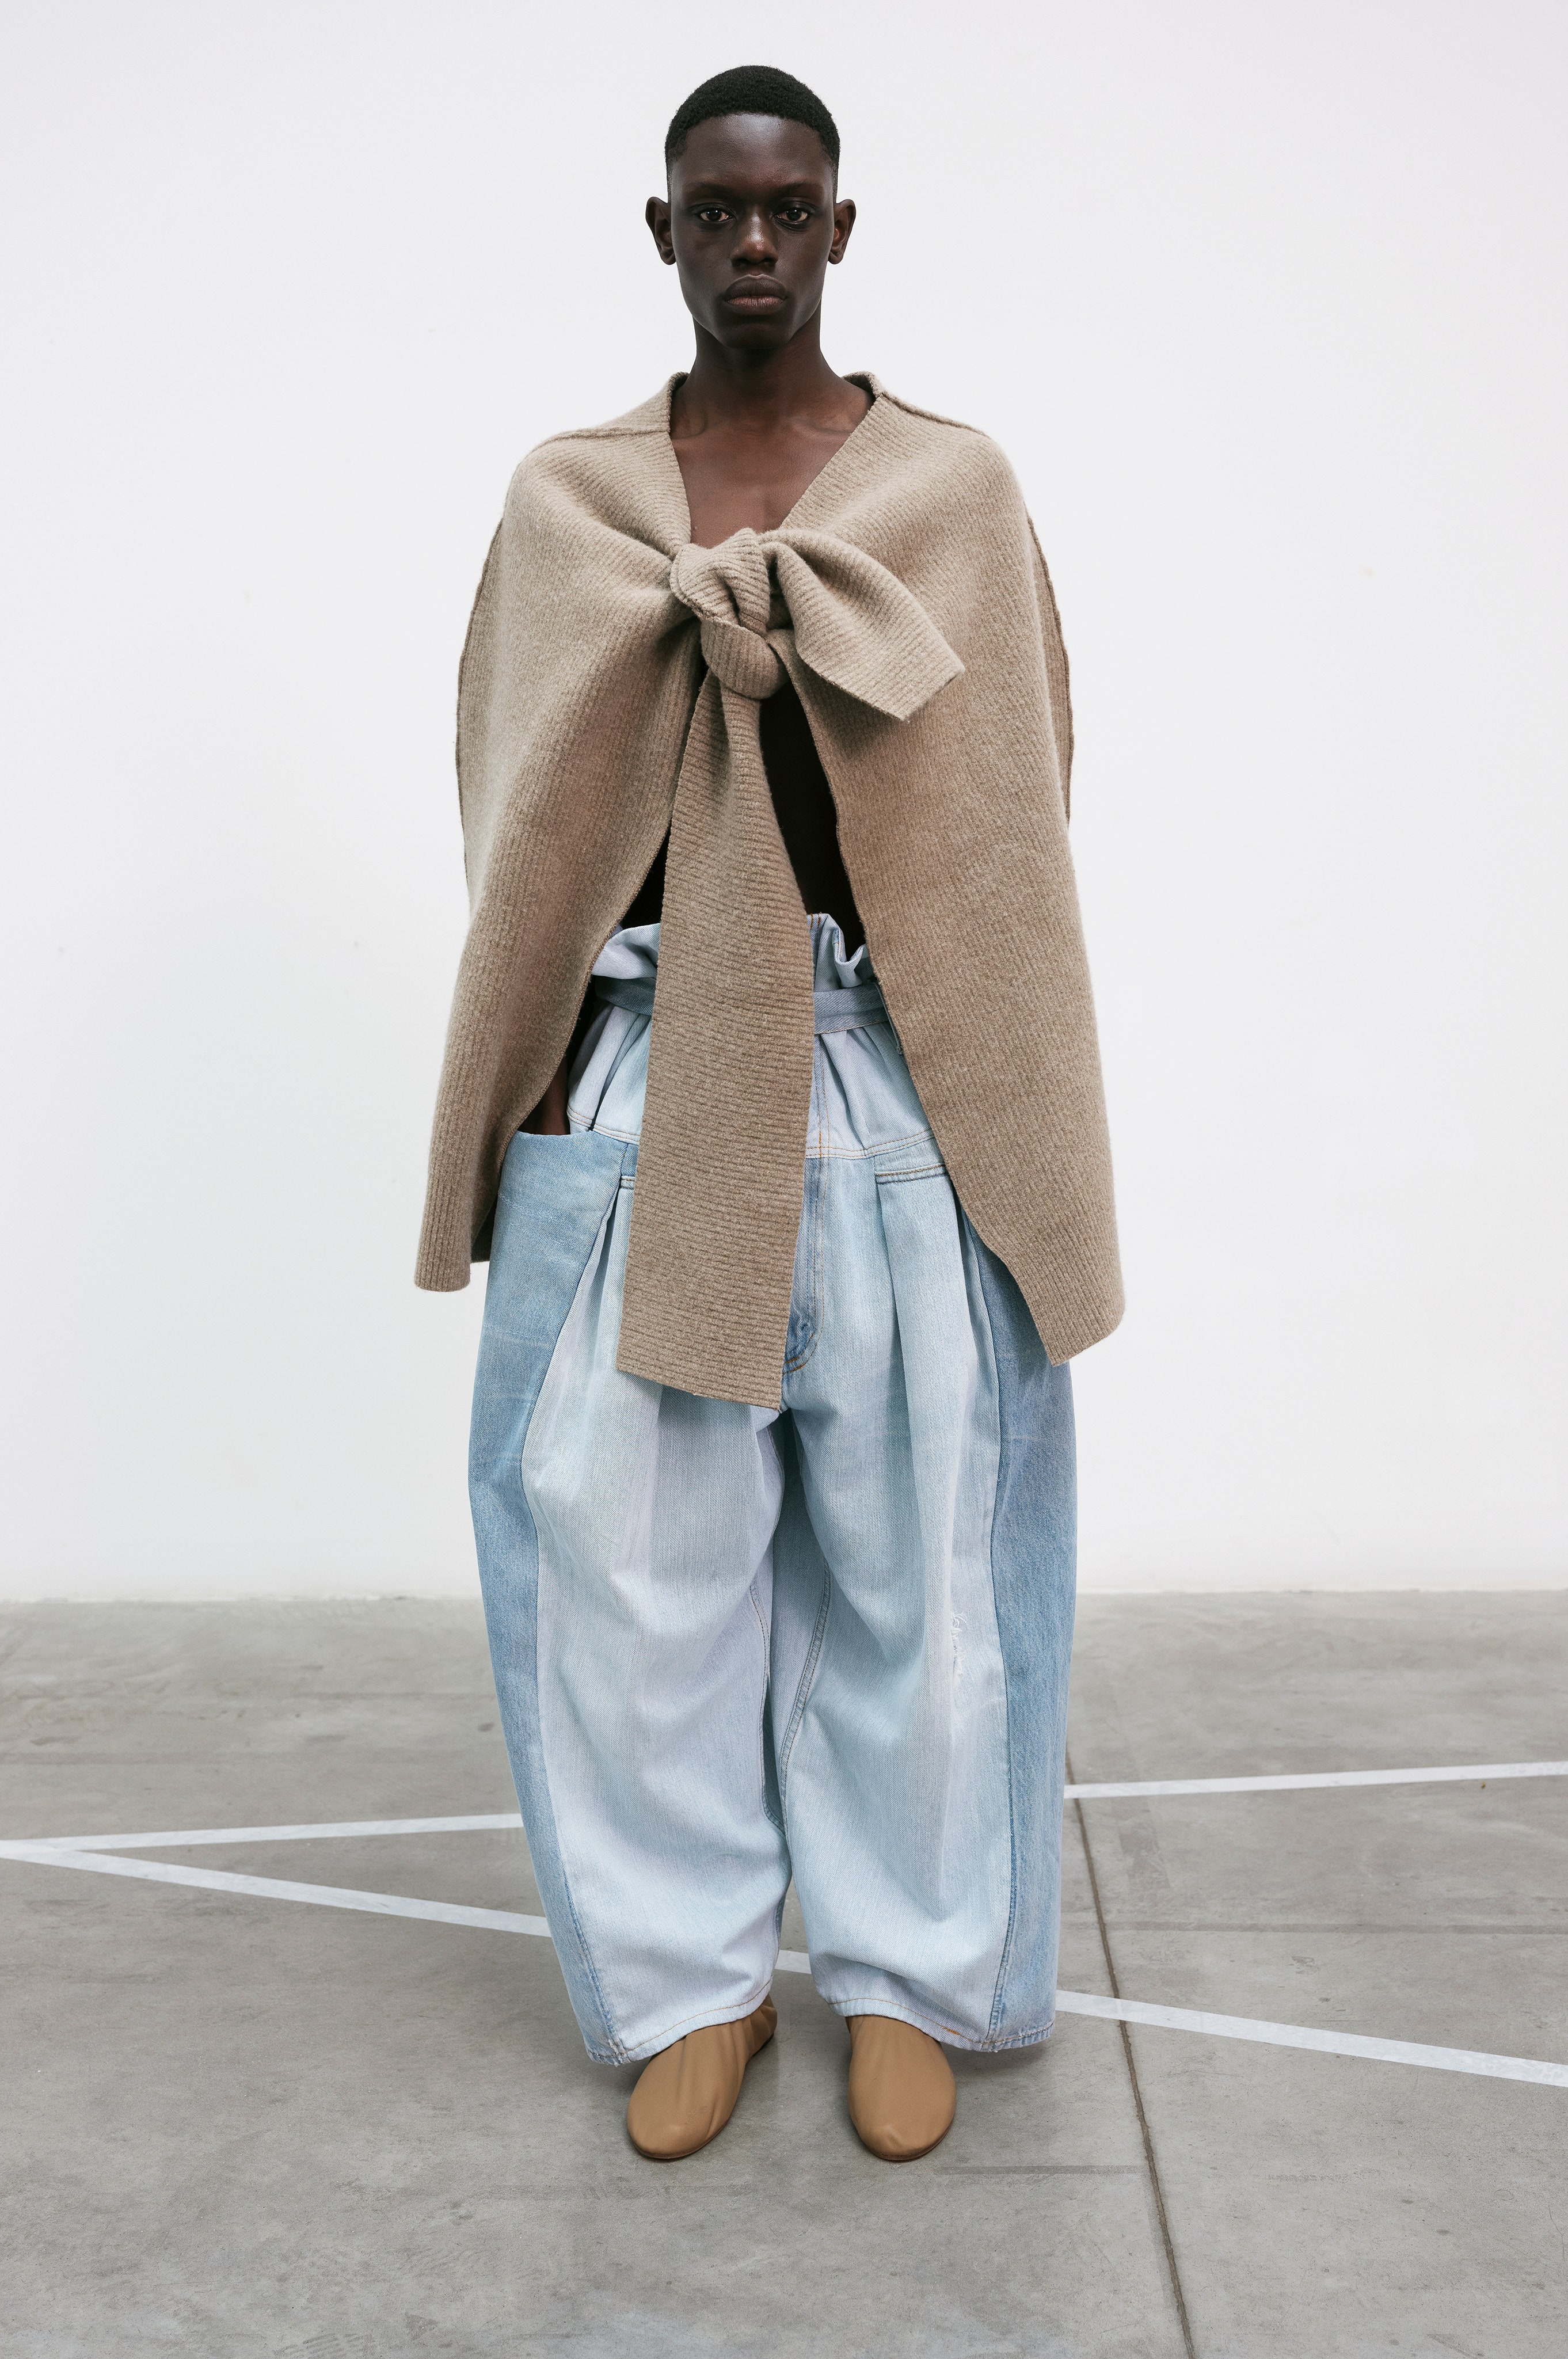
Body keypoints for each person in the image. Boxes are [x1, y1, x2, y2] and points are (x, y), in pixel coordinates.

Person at [418, 64, 1122, 2163]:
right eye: (714, 210)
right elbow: (512, 810)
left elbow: (1014, 805)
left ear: (837, 227)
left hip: (885, 1068)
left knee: (928, 1547)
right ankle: (690, 1980)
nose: (751, 242)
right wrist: (551, 1060)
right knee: (624, 1557)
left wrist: (983, 1064)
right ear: (662, 231)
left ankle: (910, 1973)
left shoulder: (948, 492)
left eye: (786, 207)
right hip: (650, 1079)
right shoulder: (571, 504)